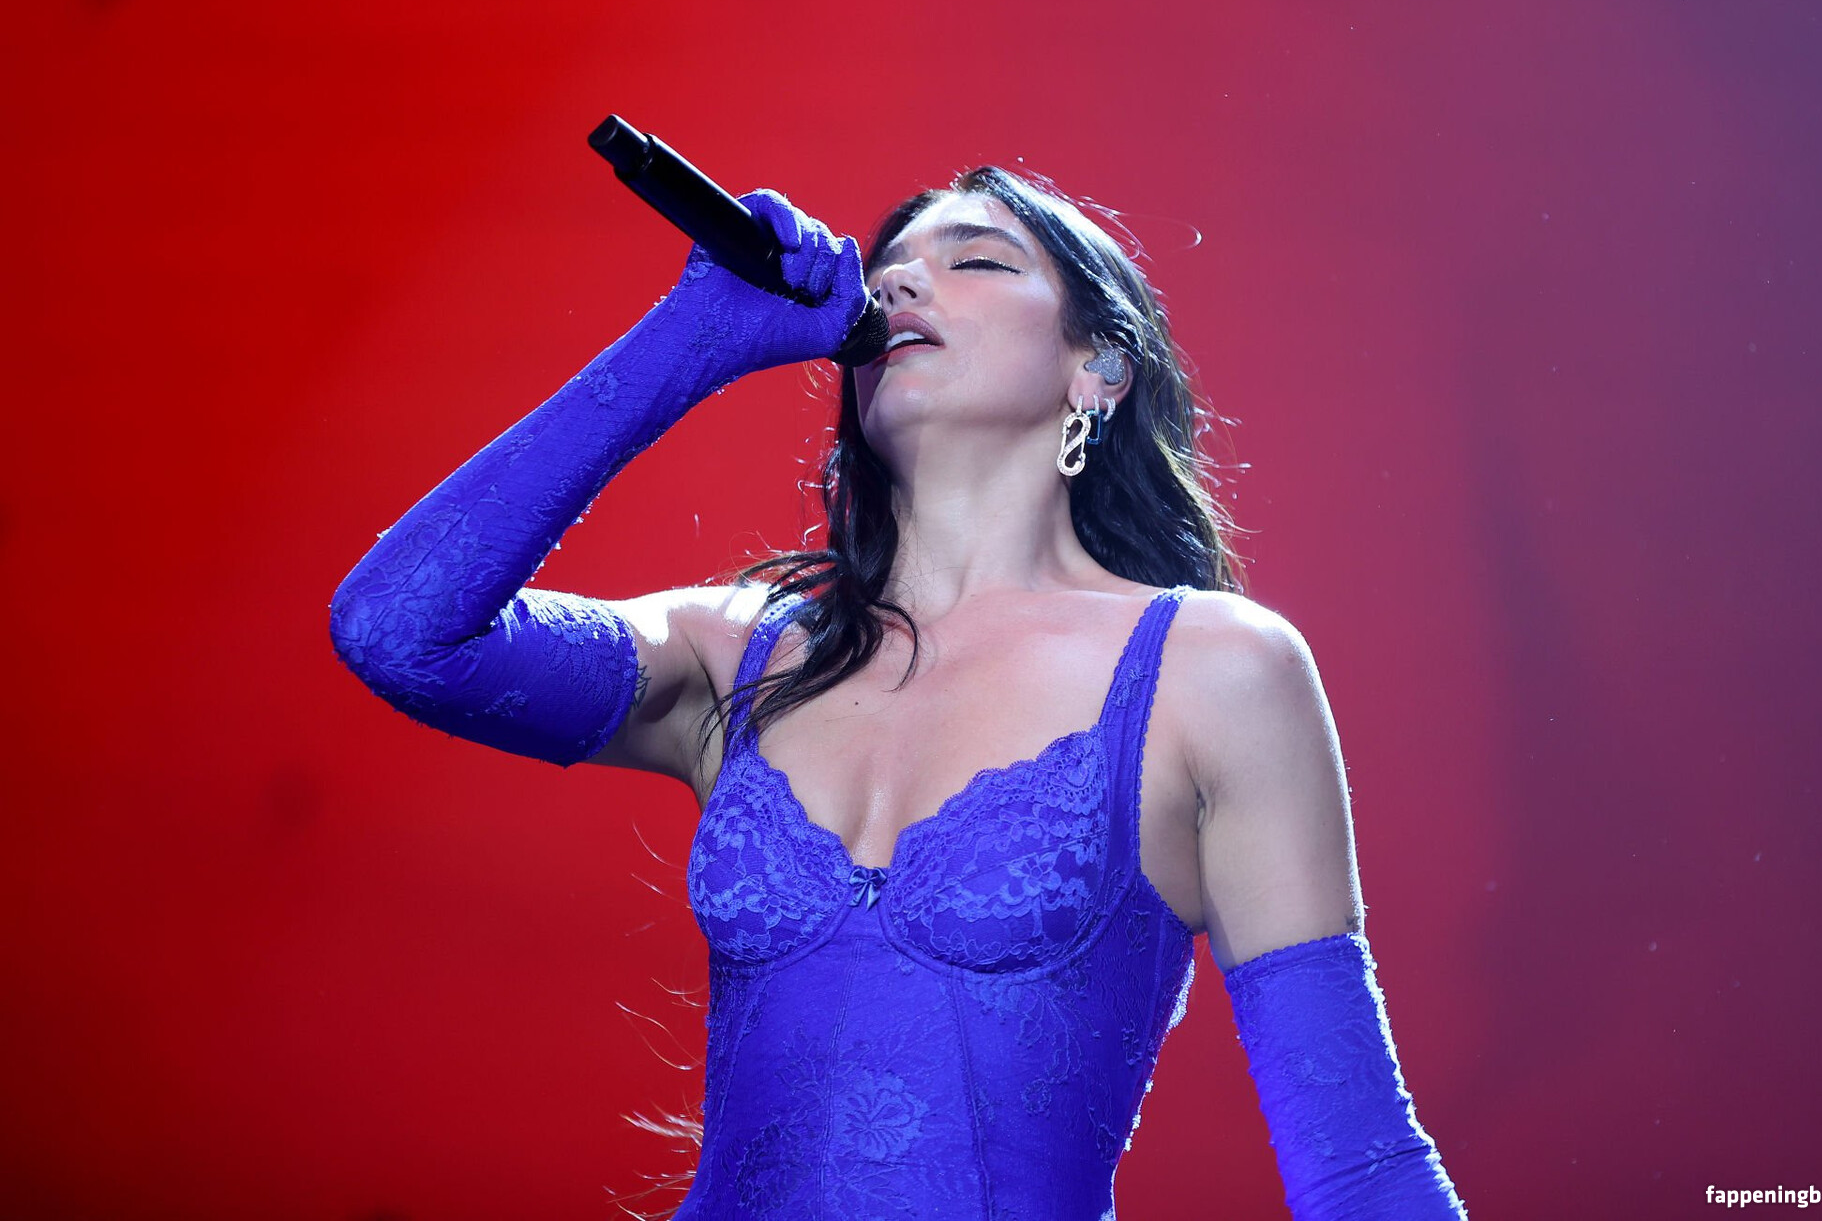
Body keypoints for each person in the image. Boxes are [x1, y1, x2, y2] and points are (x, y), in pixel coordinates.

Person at [329, 166, 1469, 1219]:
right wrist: (692, 339)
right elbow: (399, 632)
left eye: (977, 259)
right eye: (889, 271)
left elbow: (1359, 1160)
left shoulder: (1211, 667)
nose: (905, 282)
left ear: (1099, 368)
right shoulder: (737, 653)